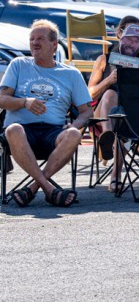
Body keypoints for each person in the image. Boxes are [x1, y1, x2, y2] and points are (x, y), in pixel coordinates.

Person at [0, 20, 92, 207]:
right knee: (13, 129)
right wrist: (24, 102)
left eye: (40, 39)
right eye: (32, 39)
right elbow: (1, 99)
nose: (34, 43)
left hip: (53, 132)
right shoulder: (18, 65)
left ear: (54, 45)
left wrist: (74, 125)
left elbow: (87, 111)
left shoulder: (71, 74)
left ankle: (33, 188)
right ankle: (50, 190)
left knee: (74, 134)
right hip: (22, 132)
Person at [87, 17, 139, 191]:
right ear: (119, 35)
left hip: (131, 116)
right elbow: (89, 94)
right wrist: (108, 81)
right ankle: (108, 136)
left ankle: (115, 174)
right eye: (129, 39)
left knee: (123, 125)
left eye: (136, 41)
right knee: (110, 94)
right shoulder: (105, 59)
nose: (132, 44)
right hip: (103, 116)